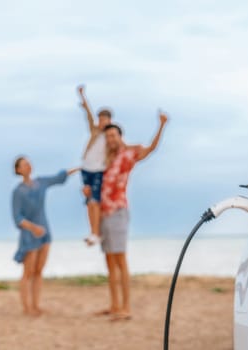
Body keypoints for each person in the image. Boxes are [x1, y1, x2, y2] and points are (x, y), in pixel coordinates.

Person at [98, 112, 168, 321]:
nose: (110, 140)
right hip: (103, 212)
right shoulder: (105, 159)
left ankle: (126, 307)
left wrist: (161, 125)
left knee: (120, 260)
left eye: (113, 136)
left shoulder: (129, 154)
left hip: (118, 211)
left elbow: (151, 149)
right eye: (107, 137)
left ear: (120, 136)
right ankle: (114, 305)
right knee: (109, 261)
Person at [12, 156, 79, 316]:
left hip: (45, 233)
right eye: (24, 164)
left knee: (39, 271)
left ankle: (36, 305)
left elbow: (59, 177)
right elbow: (17, 218)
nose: (28, 165)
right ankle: (26, 307)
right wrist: (34, 228)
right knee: (28, 272)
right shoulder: (18, 191)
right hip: (29, 235)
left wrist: (80, 168)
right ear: (18, 170)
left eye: (29, 163)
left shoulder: (41, 182)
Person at [77, 85, 112, 246]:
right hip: (86, 168)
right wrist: (83, 98)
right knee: (89, 201)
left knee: (95, 201)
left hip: (99, 170)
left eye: (104, 119)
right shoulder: (95, 131)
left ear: (109, 120)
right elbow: (89, 116)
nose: (101, 121)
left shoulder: (111, 134)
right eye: (100, 119)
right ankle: (93, 232)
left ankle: (97, 233)